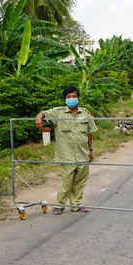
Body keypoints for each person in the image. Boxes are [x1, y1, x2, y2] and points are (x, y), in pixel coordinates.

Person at [35, 86, 97, 215]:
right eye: (68, 97)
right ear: (65, 99)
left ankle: (76, 205)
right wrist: (38, 117)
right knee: (66, 180)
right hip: (67, 154)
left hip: (82, 153)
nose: (71, 99)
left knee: (80, 181)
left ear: (78, 97)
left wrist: (90, 150)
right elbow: (44, 113)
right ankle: (59, 206)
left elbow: (89, 133)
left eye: (74, 96)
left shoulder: (85, 113)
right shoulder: (58, 113)